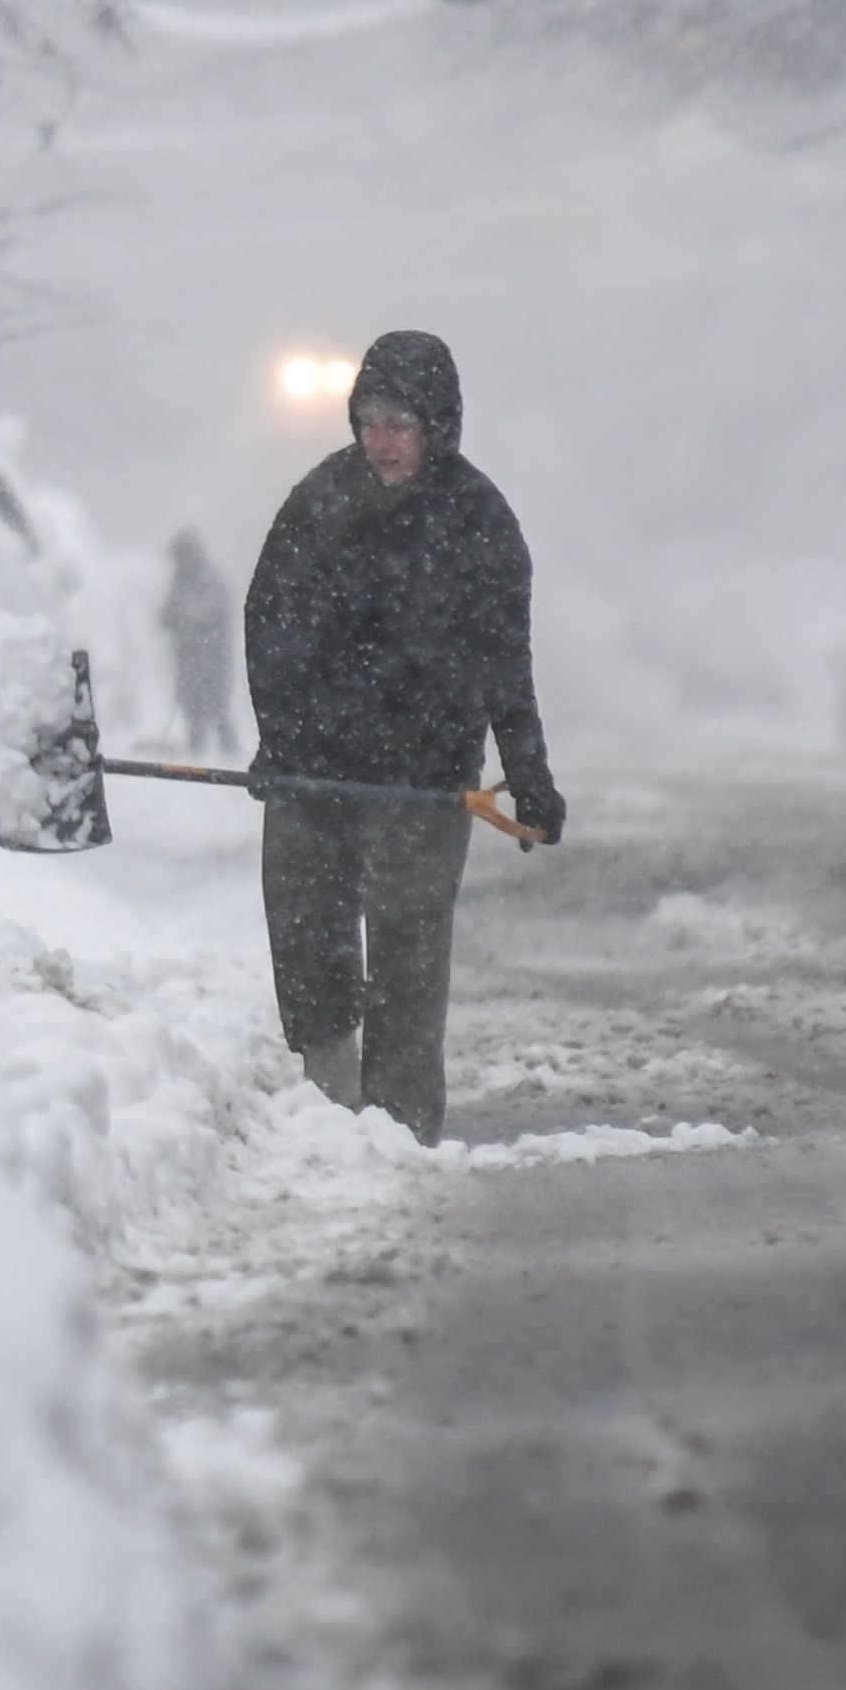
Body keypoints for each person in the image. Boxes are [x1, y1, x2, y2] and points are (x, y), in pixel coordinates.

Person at [242, 329, 565, 1136]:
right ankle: (323, 1099)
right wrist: (283, 741)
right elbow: (269, 626)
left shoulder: (479, 521)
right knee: (307, 927)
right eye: (370, 421)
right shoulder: (319, 503)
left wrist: (526, 772)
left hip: (423, 776)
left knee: (407, 952)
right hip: (316, 766)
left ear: (438, 426)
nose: (382, 442)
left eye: (402, 424)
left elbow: (503, 660)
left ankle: (402, 1124)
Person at [159, 529, 240, 756]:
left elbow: (211, 611)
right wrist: (168, 618)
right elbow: (168, 611)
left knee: (218, 706)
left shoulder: (210, 578)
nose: (177, 563)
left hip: (212, 655)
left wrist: (185, 621)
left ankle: (230, 755)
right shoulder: (179, 581)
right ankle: (197, 755)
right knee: (192, 708)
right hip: (188, 657)